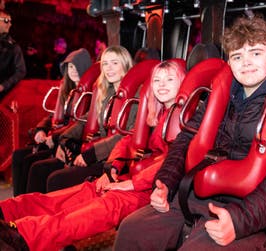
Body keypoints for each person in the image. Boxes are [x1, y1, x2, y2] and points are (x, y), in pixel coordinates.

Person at [114, 16, 266, 250]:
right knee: (132, 231)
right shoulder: (220, 95)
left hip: (255, 208)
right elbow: (187, 138)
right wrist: (167, 182)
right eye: (238, 56)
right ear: (229, 62)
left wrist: (241, 219)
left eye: (256, 53)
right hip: (199, 194)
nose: (246, 62)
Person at [0, 60, 186, 251]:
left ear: (183, 82)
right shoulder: (155, 113)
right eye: (157, 80)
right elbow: (126, 141)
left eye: (169, 79)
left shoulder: (186, 119)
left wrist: (132, 183)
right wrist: (112, 168)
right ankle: (7, 213)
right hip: (127, 177)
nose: (162, 85)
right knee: (70, 197)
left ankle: (22, 236)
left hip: (149, 188)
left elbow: (173, 162)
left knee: (81, 216)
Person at [25, 45, 133, 194]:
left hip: (115, 160)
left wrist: (91, 154)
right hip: (99, 153)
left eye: (115, 63)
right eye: (105, 63)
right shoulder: (106, 92)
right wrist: (65, 139)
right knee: (38, 169)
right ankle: (23, 213)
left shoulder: (134, 96)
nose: (109, 68)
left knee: (56, 179)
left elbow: (126, 136)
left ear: (126, 64)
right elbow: (85, 120)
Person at [11, 48, 92, 196]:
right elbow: (53, 116)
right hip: (56, 137)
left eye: (75, 66)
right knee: (18, 156)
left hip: (69, 143)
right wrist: (40, 130)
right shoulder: (67, 89)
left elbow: (80, 123)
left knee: (36, 167)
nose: (72, 71)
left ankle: (29, 210)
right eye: (69, 67)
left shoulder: (89, 93)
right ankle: (18, 204)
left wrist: (55, 138)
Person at [0, 9, 26, 100]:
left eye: (10, 21)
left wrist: (3, 86)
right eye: (6, 21)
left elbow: (21, 71)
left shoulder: (13, 47)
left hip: (3, 97)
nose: (10, 24)